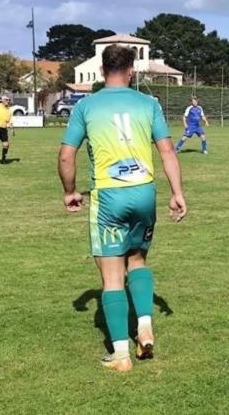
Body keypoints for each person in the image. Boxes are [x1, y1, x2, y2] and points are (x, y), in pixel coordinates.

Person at [58, 45, 186, 373]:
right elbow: (168, 152)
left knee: (112, 275)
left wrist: (70, 191)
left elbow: (66, 156)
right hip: (144, 192)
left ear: (102, 71)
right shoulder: (149, 104)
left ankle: (120, 355)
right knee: (138, 259)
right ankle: (144, 325)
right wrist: (177, 193)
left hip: (109, 196)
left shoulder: (86, 105)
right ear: (131, 71)